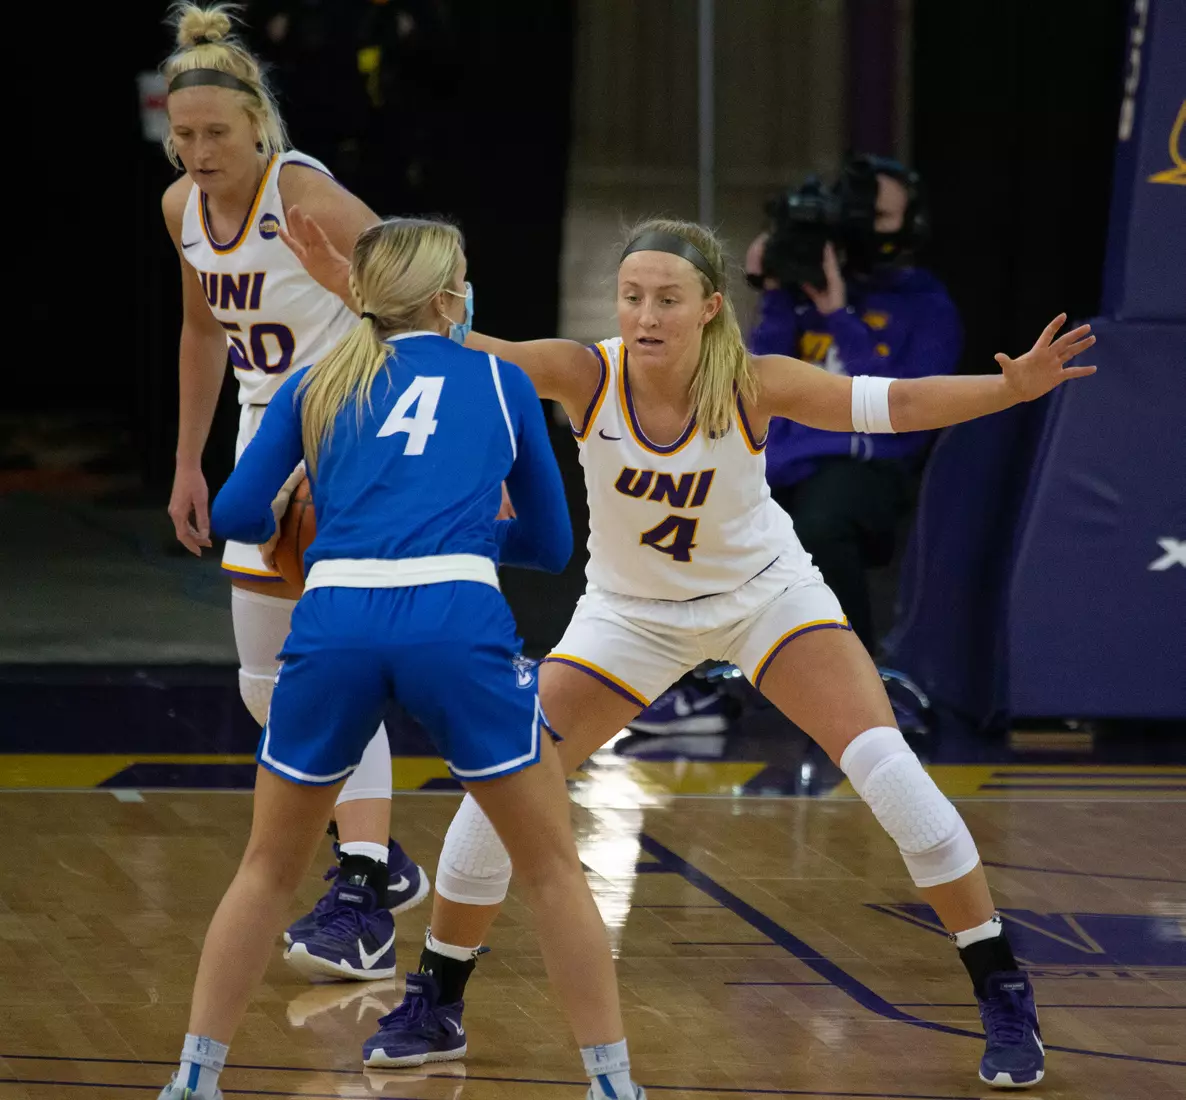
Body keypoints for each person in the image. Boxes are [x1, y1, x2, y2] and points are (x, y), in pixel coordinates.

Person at [282, 208, 1094, 1088]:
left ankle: (1002, 987)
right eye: (632, 297)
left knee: (891, 774)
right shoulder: (586, 373)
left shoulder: (753, 381)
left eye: (667, 299)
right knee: (495, 801)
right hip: (627, 616)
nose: (646, 316)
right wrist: (349, 286)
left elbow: (891, 405)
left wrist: (1008, 389)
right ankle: (438, 999)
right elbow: (446, 342)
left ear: (710, 305)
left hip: (765, 601)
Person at [158, 216, 647, 1100]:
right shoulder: (499, 380)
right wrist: (464, 527)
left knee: (266, 870)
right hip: (455, 614)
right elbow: (549, 543)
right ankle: (612, 1085)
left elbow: (232, 513)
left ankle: (193, 1078)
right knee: (549, 868)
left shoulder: (316, 381)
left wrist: (290, 519)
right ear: (447, 296)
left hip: (335, 613)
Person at [159, 2, 428, 977]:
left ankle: (359, 889)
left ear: (257, 128)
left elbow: (434, 289)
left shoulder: (300, 190)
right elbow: (202, 333)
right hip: (261, 445)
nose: (196, 151)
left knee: (331, 674)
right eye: (182, 134)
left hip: (346, 437)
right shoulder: (180, 209)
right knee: (265, 683)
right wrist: (191, 460)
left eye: (215, 133)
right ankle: (381, 856)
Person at [629, 159, 959, 739]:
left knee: (822, 521)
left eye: (878, 215)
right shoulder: (806, 287)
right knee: (672, 507)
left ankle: (856, 686)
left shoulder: (924, 303)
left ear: (910, 225)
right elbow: (752, 378)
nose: (862, 226)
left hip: (866, 468)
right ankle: (695, 685)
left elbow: (899, 408)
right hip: (779, 464)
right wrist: (777, 293)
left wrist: (840, 315)